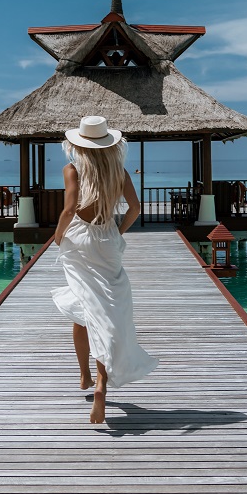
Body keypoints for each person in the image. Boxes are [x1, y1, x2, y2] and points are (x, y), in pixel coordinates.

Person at [51, 116, 158, 424]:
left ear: (77, 144)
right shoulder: (119, 172)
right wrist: (118, 231)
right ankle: (98, 383)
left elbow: (69, 209)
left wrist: (59, 235)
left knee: (83, 305)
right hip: (107, 239)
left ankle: (84, 374)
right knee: (106, 310)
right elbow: (136, 209)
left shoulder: (72, 169)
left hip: (80, 239)